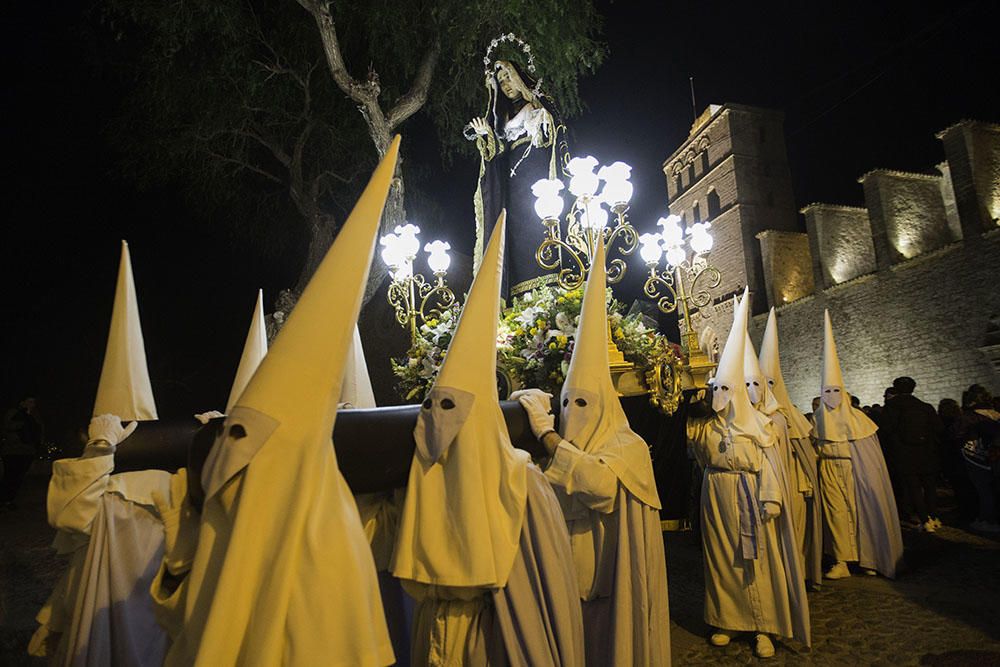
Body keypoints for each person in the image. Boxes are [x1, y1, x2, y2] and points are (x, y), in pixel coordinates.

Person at [158, 140, 402, 666]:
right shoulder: (225, 512)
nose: (227, 449)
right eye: (230, 431)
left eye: (243, 434)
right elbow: (186, 620)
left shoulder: (330, 542)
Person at [392, 212, 585, 666]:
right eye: (432, 406)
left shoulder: (522, 481)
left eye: (450, 409)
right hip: (433, 626)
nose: (436, 422)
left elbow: (545, 580)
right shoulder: (419, 465)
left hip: (495, 631)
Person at [514, 238, 671, 665]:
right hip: (569, 583)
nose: (572, 413)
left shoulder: (628, 447)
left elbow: (598, 485)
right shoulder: (564, 451)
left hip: (613, 586)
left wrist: (547, 434)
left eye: (582, 403)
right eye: (566, 404)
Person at [29, 240, 172, 664]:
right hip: (110, 613)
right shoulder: (113, 486)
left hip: (144, 614)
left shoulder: (166, 486)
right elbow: (72, 515)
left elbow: (69, 514)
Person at [687, 288, 810, 659]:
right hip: (717, 498)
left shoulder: (761, 426)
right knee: (722, 560)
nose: (721, 394)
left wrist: (770, 498)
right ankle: (727, 619)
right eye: (717, 388)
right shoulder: (707, 428)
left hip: (753, 499)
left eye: (728, 388)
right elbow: (692, 449)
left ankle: (763, 626)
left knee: (758, 561)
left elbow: (770, 466)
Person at [470, 41, 568, 297]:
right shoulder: (501, 119)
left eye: (508, 77)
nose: (506, 85)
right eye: (501, 82)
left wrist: (541, 113)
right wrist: (485, 134)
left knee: (541, 225)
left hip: (536, 174)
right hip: (513, 185)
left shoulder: (537, 106)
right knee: (515, 231)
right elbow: (496, 155)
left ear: (519, 76)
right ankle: (519, 290)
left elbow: (551, 137)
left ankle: (549, 284)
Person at [814, 311, 904, 579]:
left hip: (855, 471)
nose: (831, 397)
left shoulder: (860, 421)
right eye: (826, 392)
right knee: (835, 515)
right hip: (828, 470)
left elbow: (871, 458)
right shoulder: (817, 421)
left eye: (835, 391)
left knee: (863, 512)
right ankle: (841, 559)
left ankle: (870, 558)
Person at [758, 307, 823, 587]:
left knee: (796, 531)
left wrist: (806, 481)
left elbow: (806, 453)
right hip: (766, 488)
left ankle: (799, 573)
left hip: (793, 484)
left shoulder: (792, 418)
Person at [879, 376, 944, 532]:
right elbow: (939, 429)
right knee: (929, 486)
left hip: (904, 453)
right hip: (927, 452)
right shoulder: (925, 407)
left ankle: (924, 520)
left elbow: (886, 430)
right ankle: (934, 517)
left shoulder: (891, 406)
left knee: (913, 488)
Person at [950, 384, 1000, 532]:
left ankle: (987, 520)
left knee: (983, 490)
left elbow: (954, 434)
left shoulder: (969, 417)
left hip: (976, 457)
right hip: (994, 456)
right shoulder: (995, 414)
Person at [1, 395, 42, 509]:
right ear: (22, 402)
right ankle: (5, 500)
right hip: (13, 450)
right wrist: (23, 421)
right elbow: (7, 426)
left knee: (19, 476)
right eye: (29, 401)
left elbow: (38, 430)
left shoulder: (34, 415)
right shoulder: (14, 413)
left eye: (33, 402)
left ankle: (9, 499)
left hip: (27, 451)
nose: (32, 404)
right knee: (10, 476)